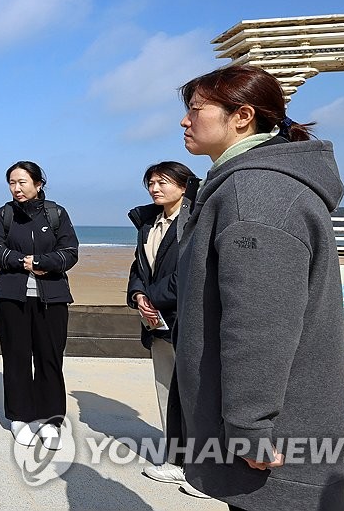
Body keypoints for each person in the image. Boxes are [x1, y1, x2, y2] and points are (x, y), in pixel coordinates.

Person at [174, 64, 344, 510]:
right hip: (286, 432)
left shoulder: (254, 194)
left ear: (242, 116)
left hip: (275, 447)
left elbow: (259, 322)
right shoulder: (255, 185)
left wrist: (250, 426)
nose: (184, 121)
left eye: (196, 109)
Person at [125, 161, 208, 497]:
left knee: (198, 395)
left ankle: (206, 472)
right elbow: (139, 265)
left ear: (184, 184)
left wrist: (152, 298)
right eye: (151, 183)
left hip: (188, 319)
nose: (155, 188)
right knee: (166, 391)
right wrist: (138, 295)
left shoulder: (194, 220)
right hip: (157, 322)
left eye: (163, 182)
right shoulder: (149, 222)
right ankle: (175, 460)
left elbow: (190, 271)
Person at [0, 161, 79, 450]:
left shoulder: (56, 214)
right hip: (12, 297)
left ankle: (50, 421)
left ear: (38, 184)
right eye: (12, 182)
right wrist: (21, 261)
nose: (16, 188)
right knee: (16, 357)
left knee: (50, 358)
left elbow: (70, 252)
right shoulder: (4, 214)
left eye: (22, 182)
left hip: (52, 298)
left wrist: (41, 263)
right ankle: (19, 418)